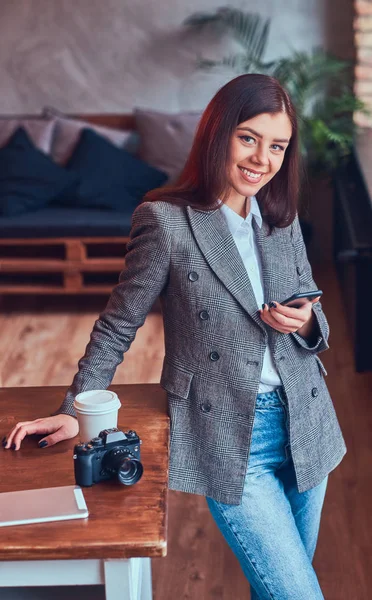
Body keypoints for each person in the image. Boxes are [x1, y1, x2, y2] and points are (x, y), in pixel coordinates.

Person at [3, 74, 346, 599]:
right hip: (232, 439)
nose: (263, 159)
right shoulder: (166, 222)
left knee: (275, 589)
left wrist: (306, 319)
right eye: (249, 138)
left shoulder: (284, 219)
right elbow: (119, 323)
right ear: (218, 134)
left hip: (307, 423)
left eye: (277, 145)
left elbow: (312, 309)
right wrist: (74, 409)